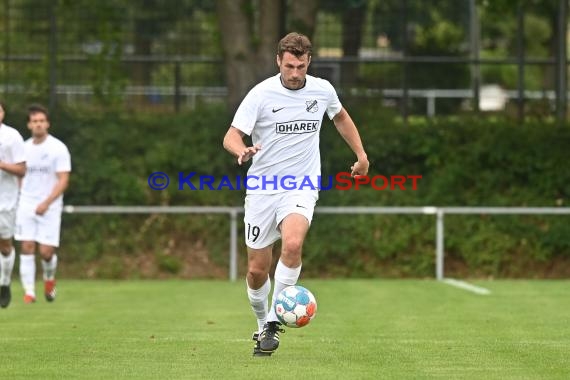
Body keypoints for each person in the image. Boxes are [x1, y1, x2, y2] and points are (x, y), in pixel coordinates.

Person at [223, 32, 369, 356]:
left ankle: (274, 321)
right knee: (256, 270)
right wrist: (242, 150)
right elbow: (231, 135)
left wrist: (361, 155)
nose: (294, 73)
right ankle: (262, 324)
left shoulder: (322, 90)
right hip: (262, 189)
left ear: (309, 62)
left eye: (300, 66)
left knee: (292, 243)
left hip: (301, 185)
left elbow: (341, 117)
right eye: (289, 66)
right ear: (278, 61)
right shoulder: (261, 95)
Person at [15, 104, 71, 303]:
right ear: (29, 125)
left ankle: (49, 279)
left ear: (47, 123)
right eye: (34, 121)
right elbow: (19, 174)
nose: (38, 124)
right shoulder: (23, 148)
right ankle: (29, 292)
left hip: (50, 205)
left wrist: (47, 203)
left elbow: (63, 179)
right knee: (27, 246)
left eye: (41, 121)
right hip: (27, 203)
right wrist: (21, 196)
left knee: (46, 252)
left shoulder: (58, 148)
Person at [0, 101, 27, 308]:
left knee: (5, 247)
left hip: (5, 201)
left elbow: (21, 170)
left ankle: (5, 282)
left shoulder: (12, 136)